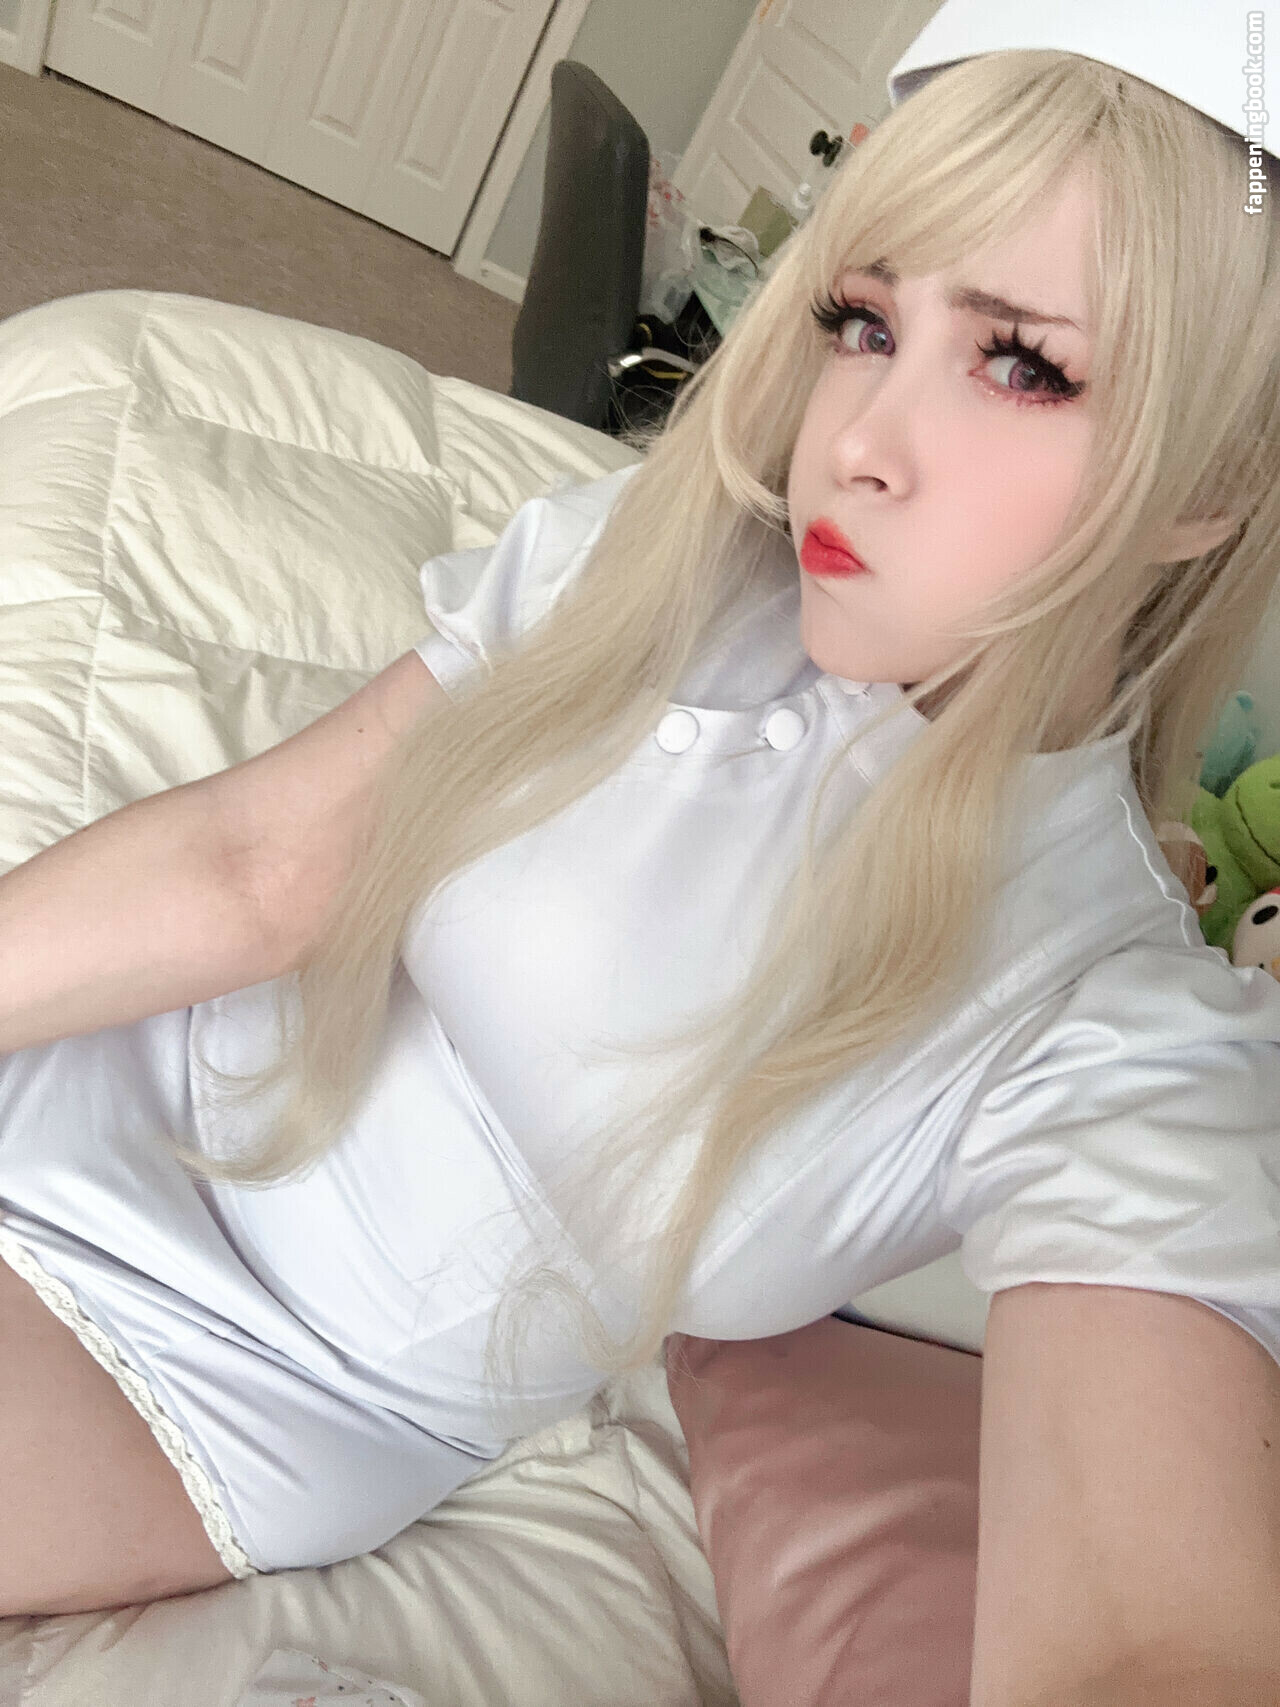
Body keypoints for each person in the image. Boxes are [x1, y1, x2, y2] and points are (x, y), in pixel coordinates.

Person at [0, 37, 1277, 1653]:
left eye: (1022, 365)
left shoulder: (1112, 1024)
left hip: (236, 1375)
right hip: (116, 1068)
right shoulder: (669, 567)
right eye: (866, 322)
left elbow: (1150, 1639)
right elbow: (261, 862)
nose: (858, 441)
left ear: (1211, 480)